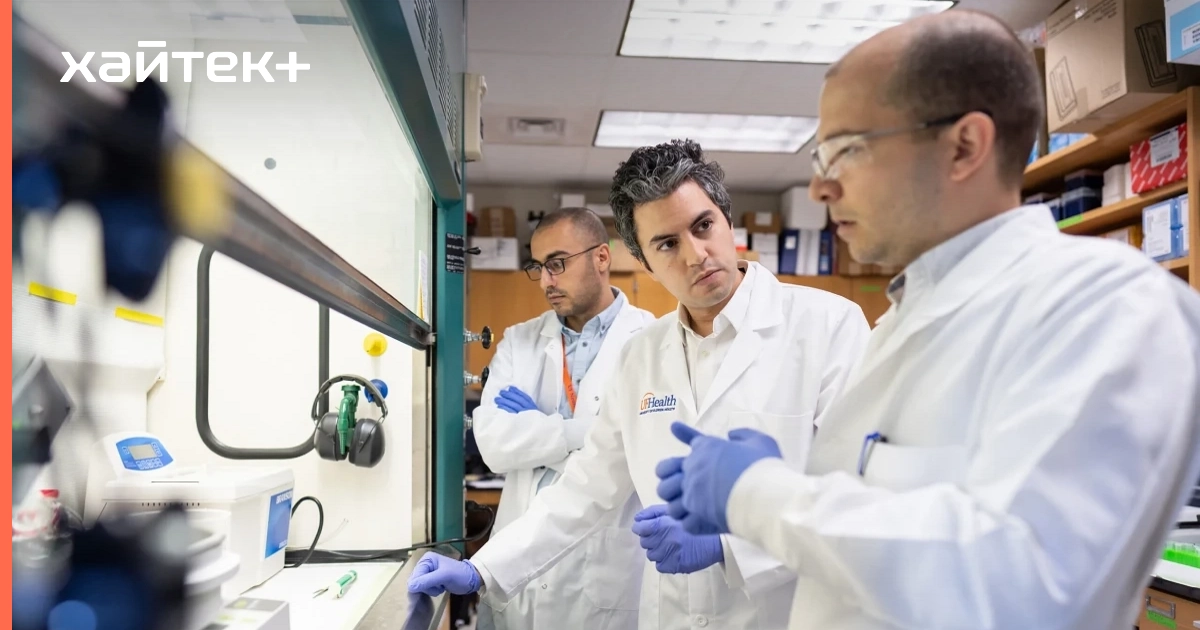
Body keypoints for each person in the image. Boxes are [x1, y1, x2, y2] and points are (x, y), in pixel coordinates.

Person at [654, 10, 1200, 630]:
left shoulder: (1109, 308)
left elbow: (1022, 588)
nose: (821, 189)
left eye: (846, 151)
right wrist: (784, 481)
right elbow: (879, 537)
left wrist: (756, 493)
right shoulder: (901, 322)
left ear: (963, 147)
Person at [408, 140, 872, 629]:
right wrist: (482, 569)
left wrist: (728, 544)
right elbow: (586, 489)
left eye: (703, 226)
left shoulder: (828, 326)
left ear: (727, 221)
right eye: (667, 244)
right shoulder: (642, 354)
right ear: (645, 262)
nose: (696, 255)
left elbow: (860, 500)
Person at [470, 207, 657, 630]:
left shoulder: (651, 341)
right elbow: (495, 445)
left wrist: (537, 426)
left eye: (557, 263)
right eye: (538, 267)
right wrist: (593, 432)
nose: (546, 281)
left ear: (602, 257)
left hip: (602, 572)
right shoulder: (520, 340)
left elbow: (639, 451)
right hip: (515, 568)